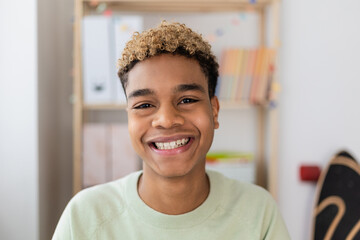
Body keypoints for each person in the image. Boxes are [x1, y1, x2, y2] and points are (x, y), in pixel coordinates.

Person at [53, 21, 290, 239]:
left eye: (187, 100)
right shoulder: (85, 216)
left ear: (214, 111)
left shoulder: (258, 212)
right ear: (129, 118)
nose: (166, 120)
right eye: (144, 105)